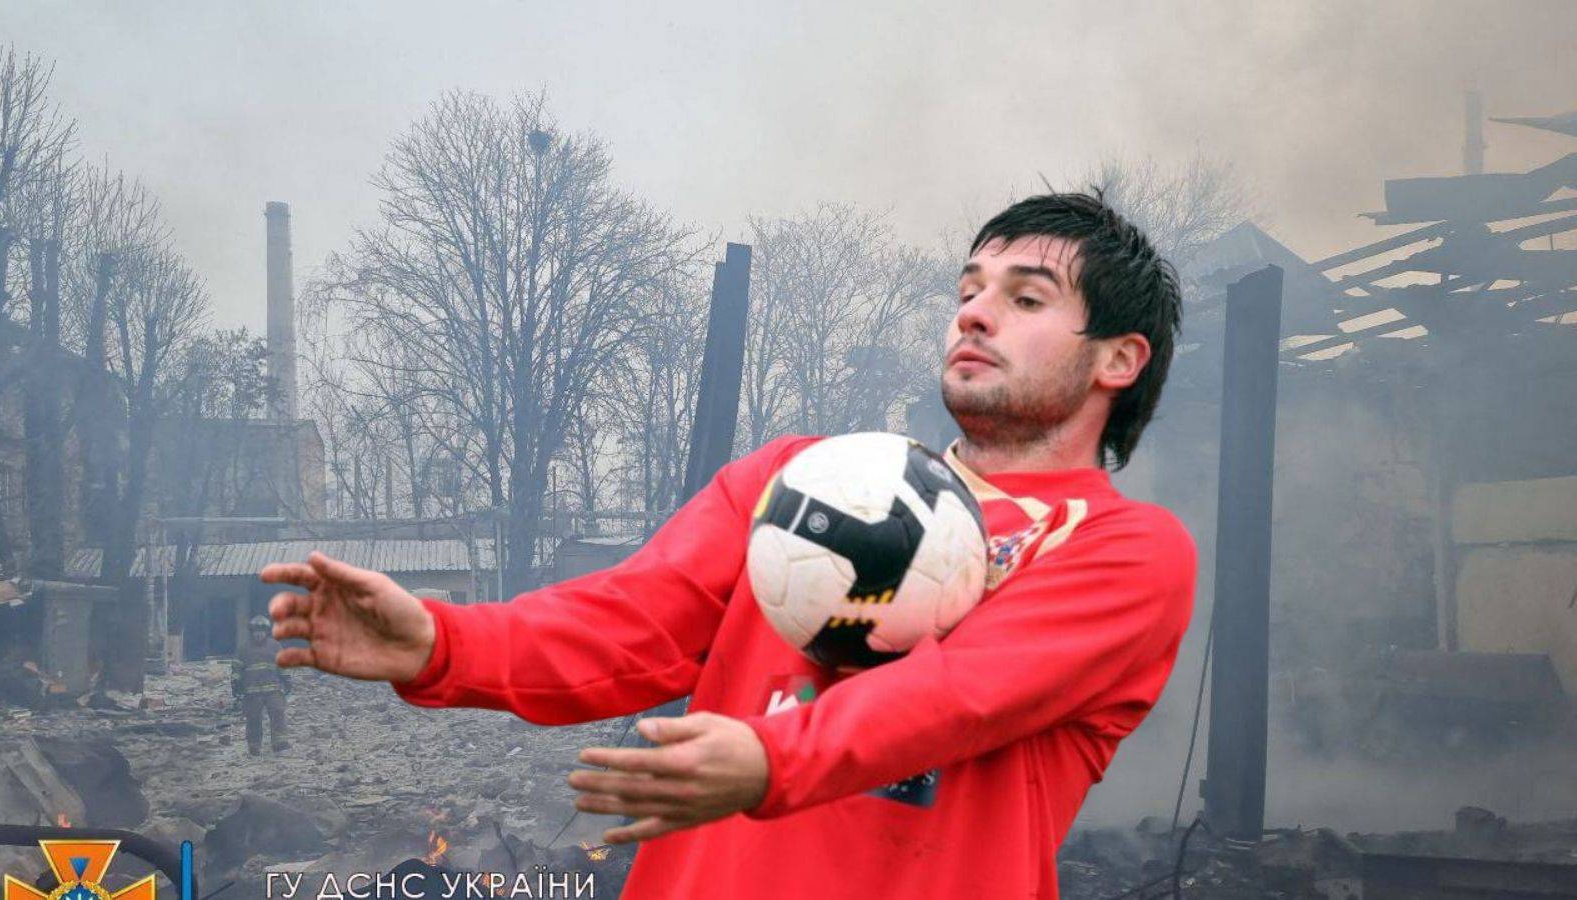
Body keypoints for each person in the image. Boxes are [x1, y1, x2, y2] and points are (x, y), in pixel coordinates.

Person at [260, 192, 1197, 899]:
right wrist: (442, 642)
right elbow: (629, 621)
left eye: (1025, 298)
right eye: (968, 290)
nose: (973, 314)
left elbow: (957, 694)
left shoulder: (1127, 551)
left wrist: (768, 757)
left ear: (1118, 359)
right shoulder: (804, 477)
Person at [233, 614, 291, 755]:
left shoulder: (275, 646)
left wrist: (287, 679)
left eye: (261, 631)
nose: (259, 634)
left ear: (266, 632)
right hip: (252, 692)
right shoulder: (243, 649)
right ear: (252, 632)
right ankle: (254, 746)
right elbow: (236, 668)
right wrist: (235, 683)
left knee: (278, 713)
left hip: (273, 689)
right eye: (256, 632)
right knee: (253, 718)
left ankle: (280, 743)